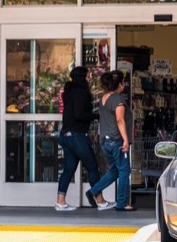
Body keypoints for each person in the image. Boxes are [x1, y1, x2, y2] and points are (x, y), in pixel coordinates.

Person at [54, 66, 105, 211]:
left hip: (66, 135)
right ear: (82, 78)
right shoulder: (80, 93)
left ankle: (60, 201)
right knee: (92, 167)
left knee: (69, 169)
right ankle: (99, 200)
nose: (90, 78)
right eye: (88, 75)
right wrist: (97, 116)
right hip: (77, 135)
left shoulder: (70, 92)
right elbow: (79, 114)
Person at [85, 69, 133, 212]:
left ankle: (94, 191)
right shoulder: (117, 99)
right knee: (124, 171)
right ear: (119, 84)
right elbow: (120, 120)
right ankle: (122, 203)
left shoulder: (103, 99)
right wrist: (125, 139)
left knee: (115, 170)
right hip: (116, 140)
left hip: (105, 141)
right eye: (123, 82)